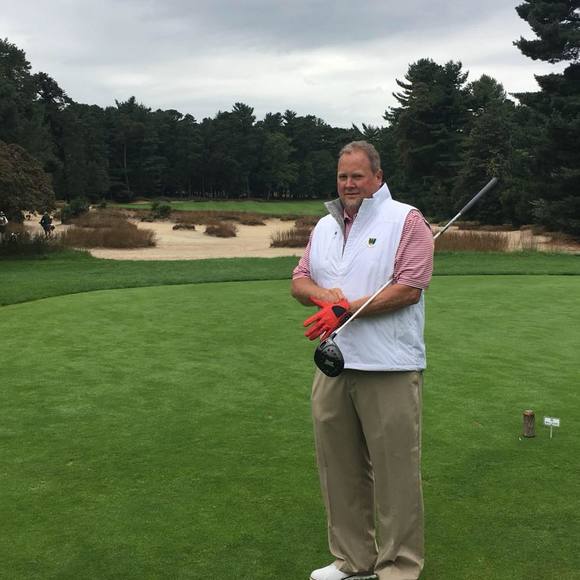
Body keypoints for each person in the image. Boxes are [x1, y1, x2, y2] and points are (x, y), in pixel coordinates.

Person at [291, 141, 434, 580]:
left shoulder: (407, 220)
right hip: (334, 365)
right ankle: (352, 560)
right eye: (342, 176)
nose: (349, 184)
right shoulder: (325, 225)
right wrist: (323, 297)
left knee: (395, 472)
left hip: (388, 365)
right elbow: (299, 279)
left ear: (377, 176)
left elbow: (409, 288)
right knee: (338, 468)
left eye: (357, 175)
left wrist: (346, 308)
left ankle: (398, 568)